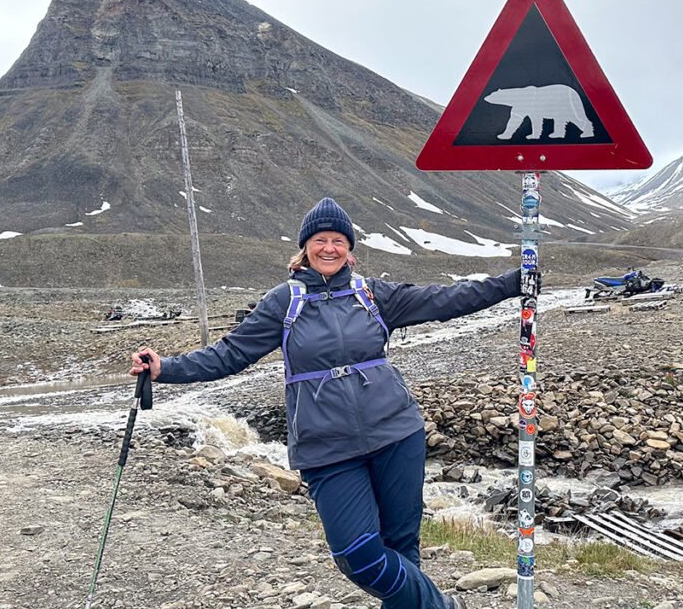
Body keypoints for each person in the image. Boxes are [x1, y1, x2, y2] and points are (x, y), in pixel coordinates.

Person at [131, 197, 528, 609]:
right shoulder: (284, 302)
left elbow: (449, 300)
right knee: (356, 554)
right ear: (305, 247)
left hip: (396, 432)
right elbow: (229, 354)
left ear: (349, 248)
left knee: (401, 547)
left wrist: (514, 282)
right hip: (327, 447)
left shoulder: (372, 294)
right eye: (320, 239)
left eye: (339, 240)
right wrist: (166, 368)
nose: (329, 248)